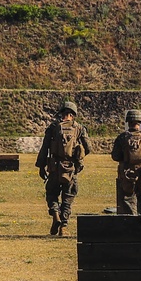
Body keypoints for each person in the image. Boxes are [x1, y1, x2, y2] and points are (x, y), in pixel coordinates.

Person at [35, 101, 92, 237]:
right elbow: (89, 148)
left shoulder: (53, 127)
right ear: (73, 115)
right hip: (71, 169)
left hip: (54, 168)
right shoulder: (79, 128)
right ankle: (64, 226)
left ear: (62, 113)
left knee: (51, 194)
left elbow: (44, 148)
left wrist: (41, 166)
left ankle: (55, 214)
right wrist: (78, 157)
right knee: (68, 197)